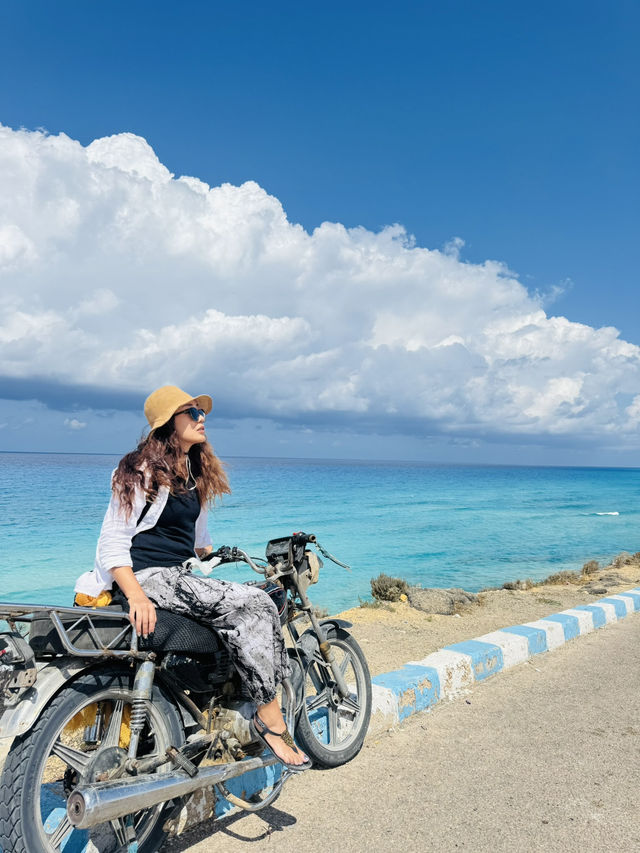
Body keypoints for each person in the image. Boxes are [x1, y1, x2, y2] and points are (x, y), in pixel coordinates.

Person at [74, 384, 310, 771]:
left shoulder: (193, 474)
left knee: (259, 594)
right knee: (255, 605)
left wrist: (216, 561)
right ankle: (272, 723)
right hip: (150, 577)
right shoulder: (139, 470)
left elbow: (198, 545)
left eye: (202, 413)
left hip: (181, 575)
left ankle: (226, 703)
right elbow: (112, 542)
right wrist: (135, 595)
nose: (203, 419)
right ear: (169, 423)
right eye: (192, 413)